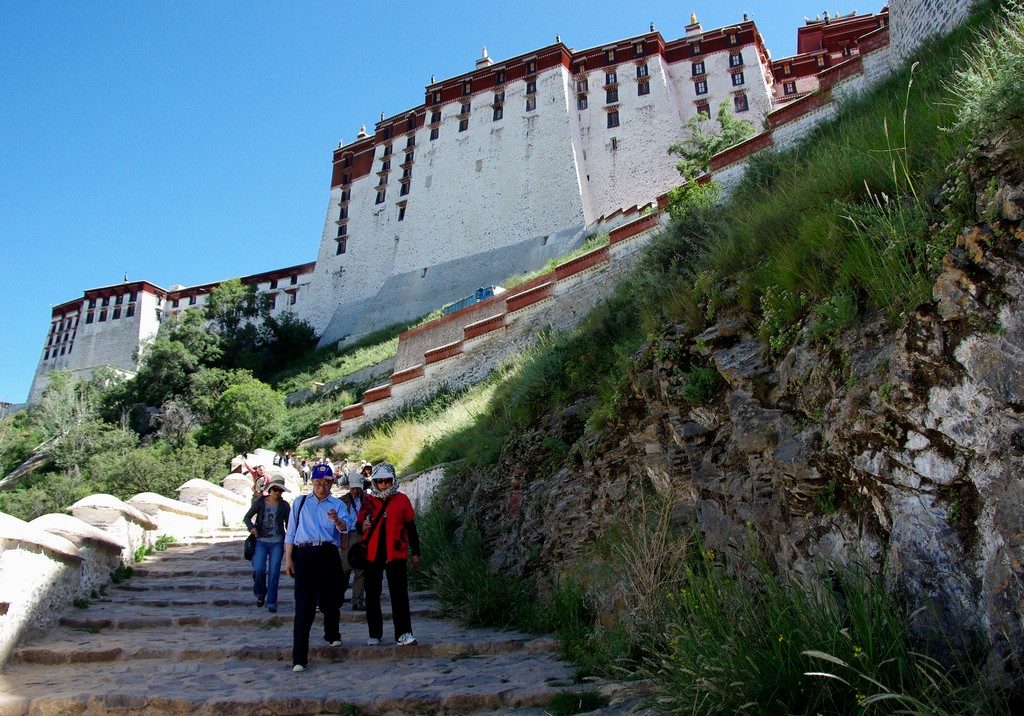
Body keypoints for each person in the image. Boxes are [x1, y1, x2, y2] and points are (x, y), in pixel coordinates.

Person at [284, 463, 355, 672]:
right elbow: (291, 533)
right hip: (304, 554)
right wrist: (289, 559)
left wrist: (337, 521)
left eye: (326, 483)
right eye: (318, 483)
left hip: (327, 553)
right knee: (303, 605)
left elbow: (346, 527)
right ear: (311, 482)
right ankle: (299, 657)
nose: (322, 487)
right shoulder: (300, 503)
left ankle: (332, 633)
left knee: (331, 599)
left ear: (332, 483)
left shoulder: (338, 505)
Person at [356, 462, 420, 647]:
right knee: (372, 595)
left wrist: (416, 552)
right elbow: (358, 527)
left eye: (387, 480)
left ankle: (404, 633)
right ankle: (374, 633)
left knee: (399, 594)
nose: (383, 485)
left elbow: (411, 528)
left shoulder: (402, 500)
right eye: (379, 481)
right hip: (372, 553)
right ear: (374, 482)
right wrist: (362, 526)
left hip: (396, 553)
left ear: (393, 480)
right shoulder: (368, 502)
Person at [243, 475, 290, 613]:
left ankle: (272, 602)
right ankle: (260, 592)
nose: (277, 492)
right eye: (275, 489)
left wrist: (290, 540)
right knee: (258, 569)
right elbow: (247, 517)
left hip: (277, 541)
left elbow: (289, 524)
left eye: (280, 490)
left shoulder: (284, 505)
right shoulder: (260, 502)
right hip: (261, 541)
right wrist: (251, 527)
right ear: (270, 489)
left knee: (274, 572)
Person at [339, 471, 366, 611]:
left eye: (357, 488)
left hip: (362, 535)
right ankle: (338, 597)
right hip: (347, 535)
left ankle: (357, 600)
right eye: (353, 488)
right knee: (344, 568)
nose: (355, 491)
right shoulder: (342, 501)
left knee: (360, 569)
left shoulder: (366, 499)